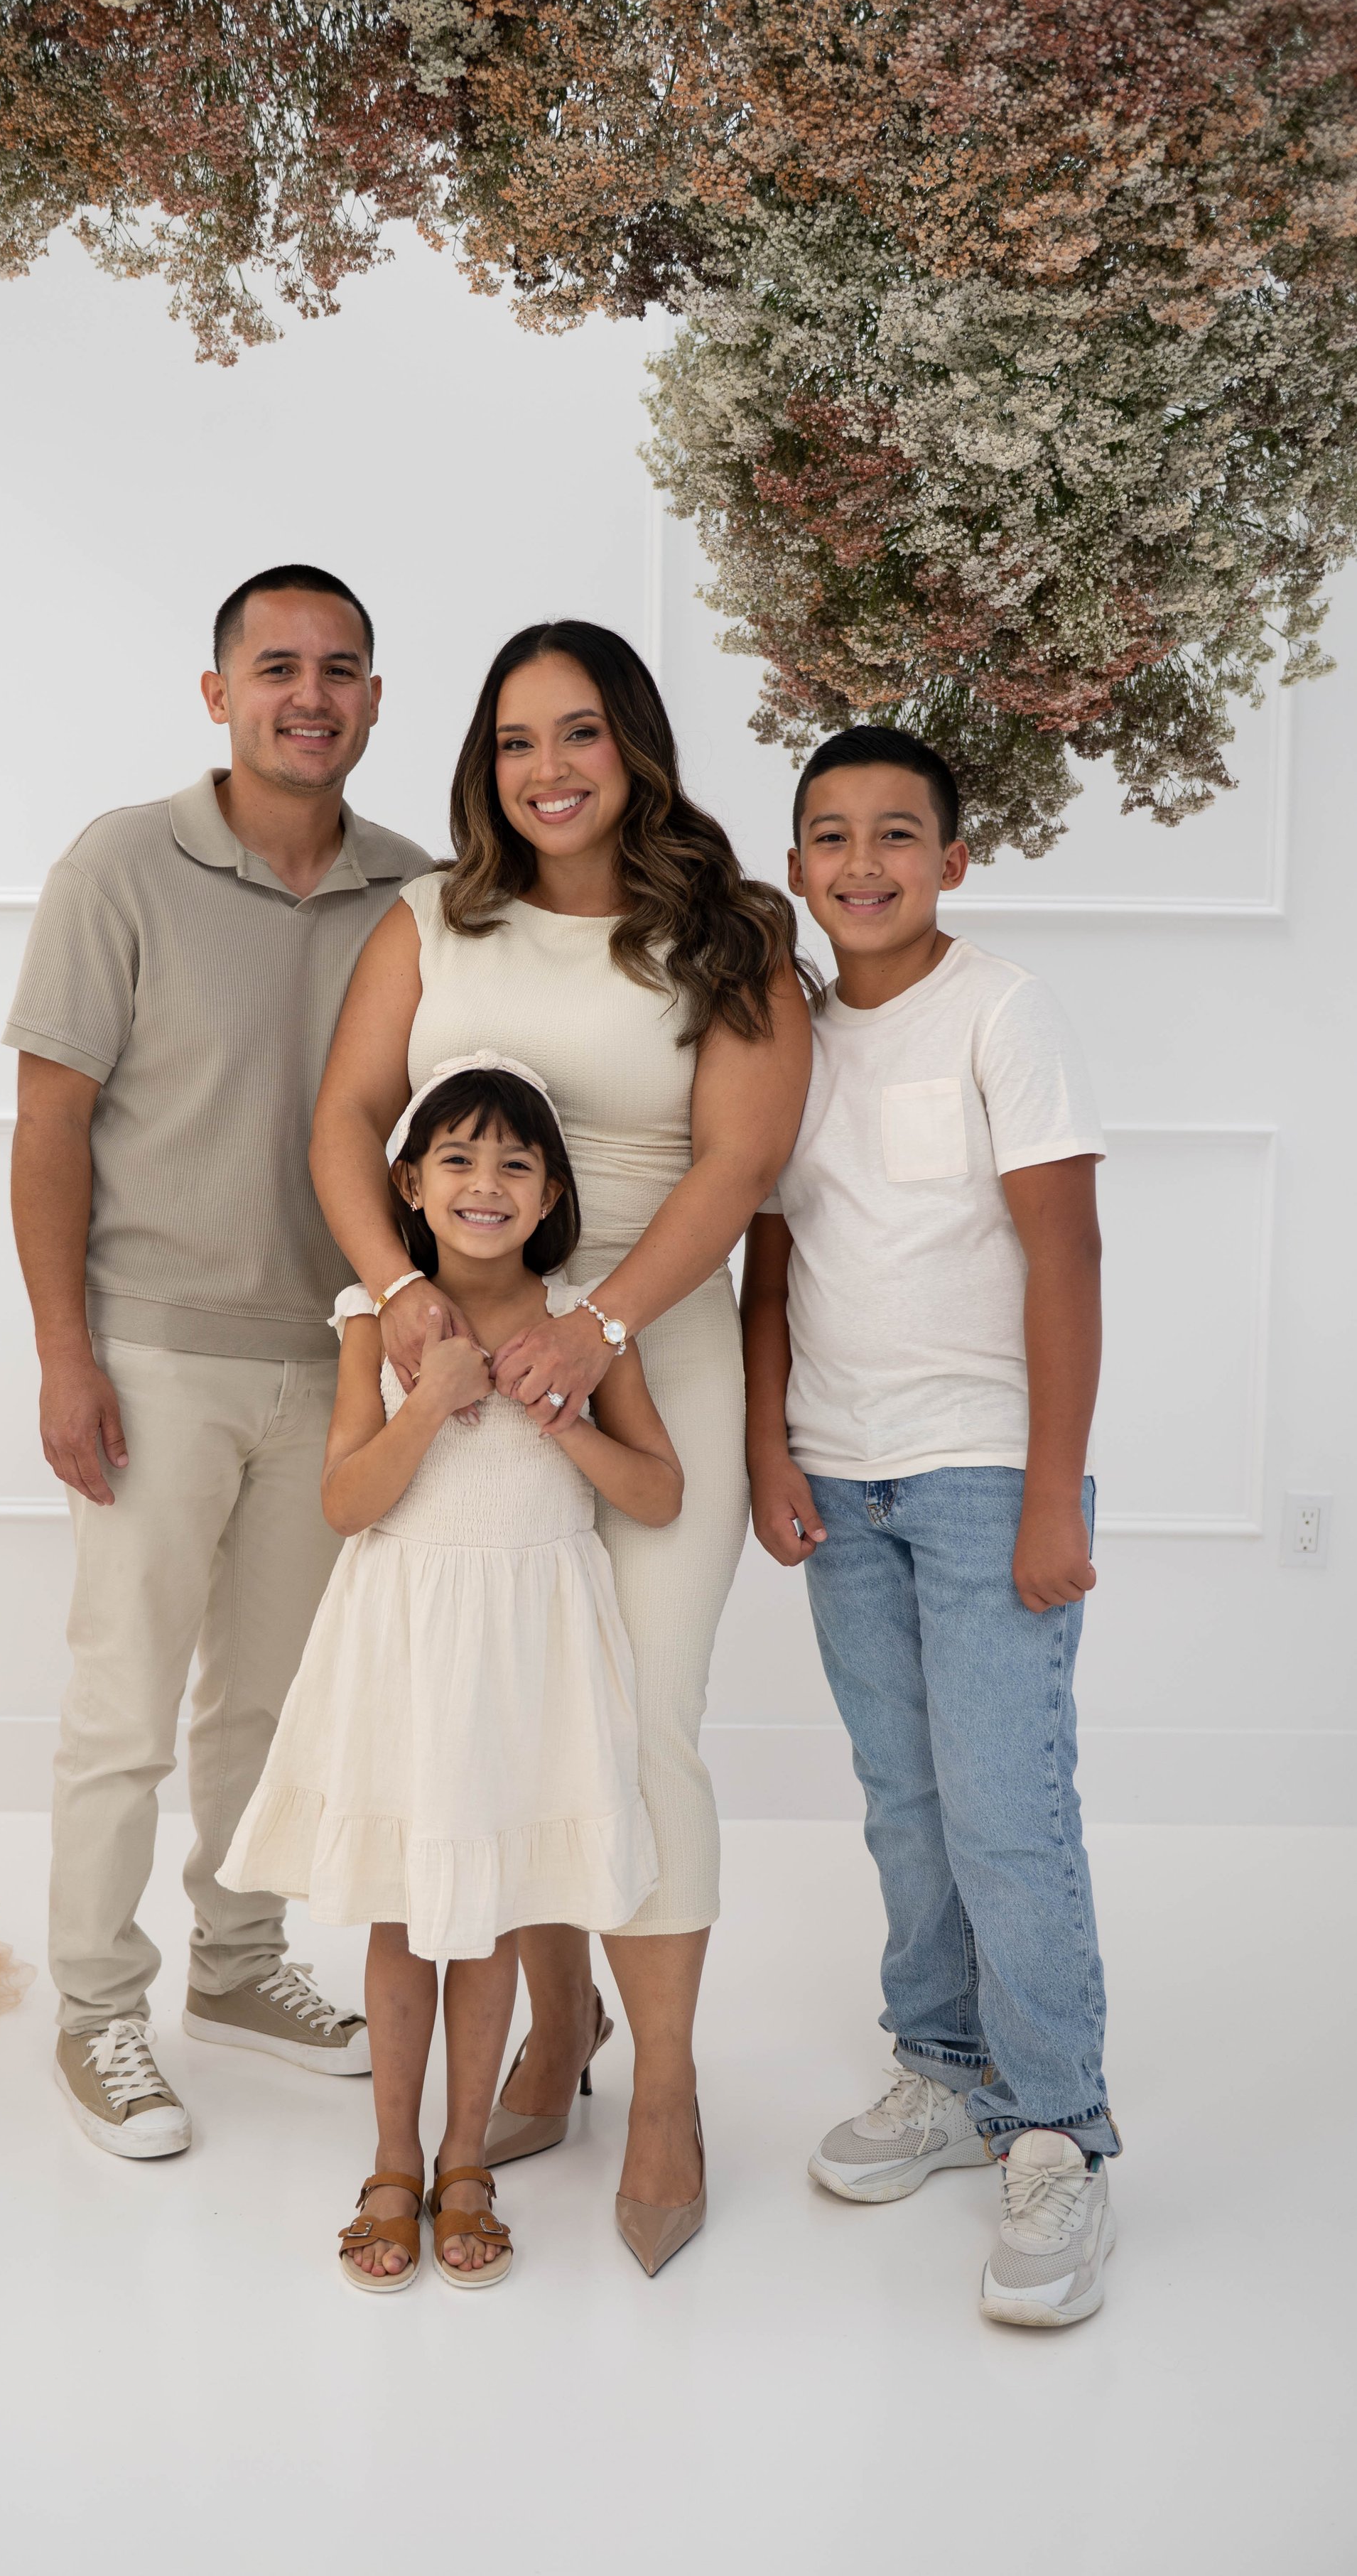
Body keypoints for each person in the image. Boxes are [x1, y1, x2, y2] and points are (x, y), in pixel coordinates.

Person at [311, 622, 812, 2271]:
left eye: (578, 731)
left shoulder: (728, 932)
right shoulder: (428, 921)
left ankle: (660, 2086)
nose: (547, 768)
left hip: (644, 1350)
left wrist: (595, 1327)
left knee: (640, 1724)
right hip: (461, 1357)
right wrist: (398, 1296)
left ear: (633, 744)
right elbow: (344, 1121)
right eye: (515, 739)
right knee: (504, 1707)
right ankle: (550, 2030)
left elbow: (735, 1164)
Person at [5, 564, 433, 2158]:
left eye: (339, 668)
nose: (308, 695)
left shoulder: (418, 890)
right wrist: (64, 1353)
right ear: (218, 694)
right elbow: (48, 1128)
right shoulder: (120, 864)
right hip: (152, 1354)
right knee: (123, 1705)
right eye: (275, 667)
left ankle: (239, 1968)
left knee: (268, 1704)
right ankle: (94, 2008)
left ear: (374, 699)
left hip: (332, 1362)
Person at [742, 722, 1119, 2327]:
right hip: (842, 1480)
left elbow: (1066, 1251)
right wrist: (767, 1446)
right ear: (793, 866)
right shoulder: (787, 1035)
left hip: (982, 1474)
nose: (863, 862)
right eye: (830, 836)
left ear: (953, 859)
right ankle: (945, 2067)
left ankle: (1059, 2128)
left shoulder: (1001, 1012)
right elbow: (769, 1266)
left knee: (1004, 1811)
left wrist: (1048, 1487)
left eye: (897, 834)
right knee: (904, 1804)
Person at [222, 1054, 681, 2291]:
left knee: (488, 1910)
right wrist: (429, 1400)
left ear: (551, 1195)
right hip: (408, 1647)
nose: (487, 1183)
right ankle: (391, 2159)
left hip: (527, 1653)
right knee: (404, 1910)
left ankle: (465, 2157)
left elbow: (659, 1490)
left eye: (516, 1163)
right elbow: (344, 1500)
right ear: (411, 1185)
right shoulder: (371, 1321)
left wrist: (565, 1417)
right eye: (458, 1158)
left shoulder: (583, 1325)